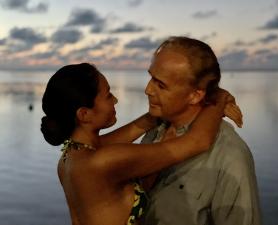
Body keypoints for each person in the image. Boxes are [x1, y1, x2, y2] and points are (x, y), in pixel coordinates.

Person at [41, 63, 241, 225]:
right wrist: (218, 99)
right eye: (108, 95)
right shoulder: (103, 162)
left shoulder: (70, 158)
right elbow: (198, 142)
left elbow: (136, 127)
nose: (116, 100)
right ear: (84, 114)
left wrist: (172, 104)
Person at [141, 37, 262, 225]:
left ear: (196, 95)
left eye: (161, 85)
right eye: (151, 77)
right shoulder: (153, 133)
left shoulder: (229, 155)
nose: (148, 90)